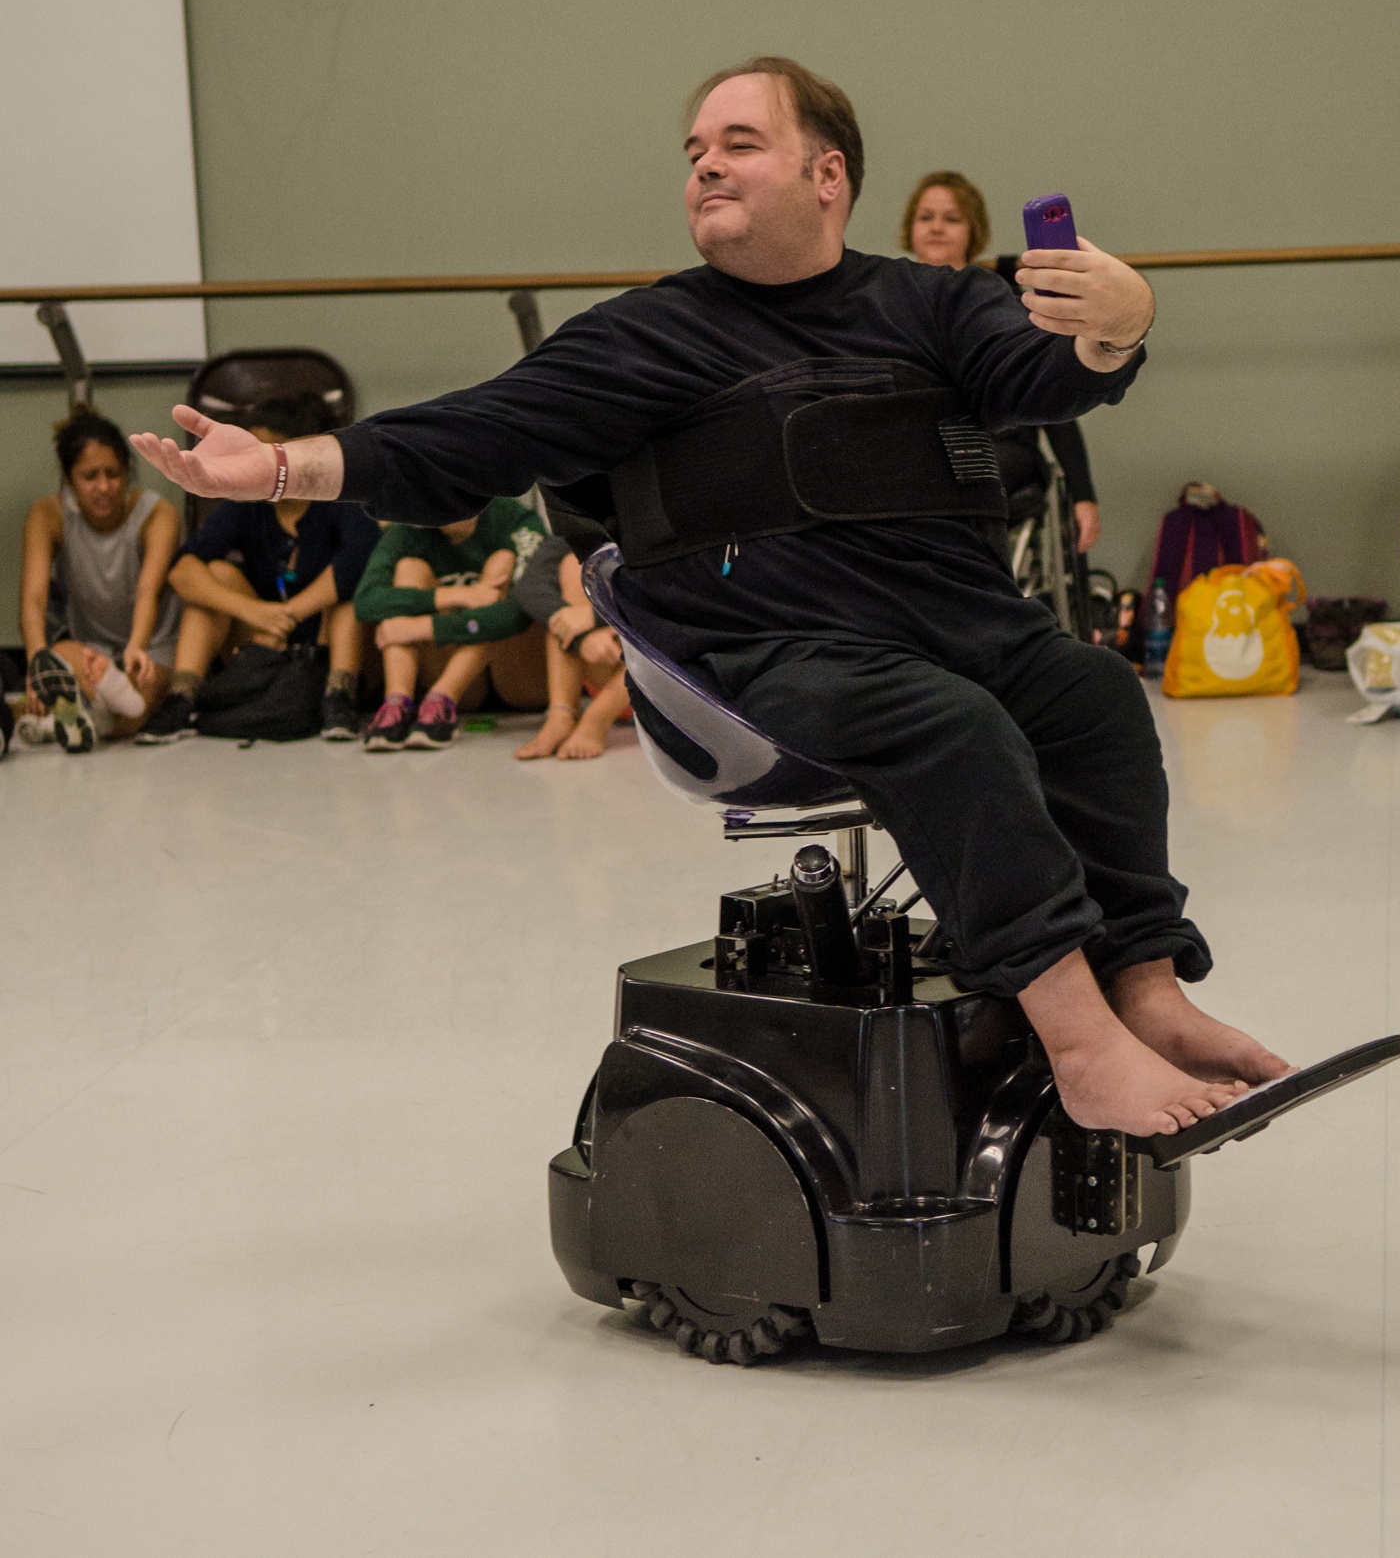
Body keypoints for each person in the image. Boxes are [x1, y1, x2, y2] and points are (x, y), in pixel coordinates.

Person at [131, 55, 1289, 1140]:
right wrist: (284, 465)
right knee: (946, 720)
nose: (705, 165)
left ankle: (1144, 989)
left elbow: (1046, 373)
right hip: (765, 658)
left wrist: (1121, 321)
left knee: (1091, 693)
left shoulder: (929, 307)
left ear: (827, 176)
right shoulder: (649, 335)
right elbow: (468, 434)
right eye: (695, 150)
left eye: (740, 142)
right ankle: (1081, 1045)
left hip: (962, 629)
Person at [136, 395, 378, 744]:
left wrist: (291, 613)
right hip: (265, 638)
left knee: (349, 600)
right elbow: (182, 570)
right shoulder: (249, 499)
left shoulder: (340, 494)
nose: (256, 463)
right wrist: (257, 613)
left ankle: (339, 698)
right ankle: (181, 699)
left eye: (267, 451)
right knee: (217, 574)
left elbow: (358, 559)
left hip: (326, 639)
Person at [902, 170, 1102, 551]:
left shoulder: (1003, 304)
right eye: (925, 217)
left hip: (1001, 444)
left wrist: (1083, 494)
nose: (937, 228)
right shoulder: (891, 303)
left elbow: (1055, 401)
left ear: (971, 230)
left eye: (952, 218)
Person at [18, 409, 181, 750]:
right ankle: (96, 713)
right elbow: (33, 599)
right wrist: (37, 659)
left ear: (127, 472)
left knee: (141, 696)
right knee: (61, 659)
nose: (104, 487)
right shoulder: (48, 514)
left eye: (114, 474)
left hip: (151, 645)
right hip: (92, 652)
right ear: (68, 478)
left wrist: (137, 645)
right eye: (90, 476)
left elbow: (147, 592)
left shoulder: (158, 514)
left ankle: (72, 721)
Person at [353, 497, 549, 749]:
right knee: (409, 568)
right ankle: (398, 703)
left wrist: (425, 627)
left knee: (502, 560)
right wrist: (461, 595)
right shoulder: (409, 527)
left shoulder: (514, 519)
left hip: (518, 676)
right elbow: (366, 601)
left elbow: (518, 612)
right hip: (458, 675)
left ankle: (442, 699)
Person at [509, 538, 632, 760]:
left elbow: (679, 599)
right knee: (574, 565)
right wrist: (582, 637)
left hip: (670, 680)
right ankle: (561, 714)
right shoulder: (587, 519)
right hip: (611, 663)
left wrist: (597, 617)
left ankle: (597, 719)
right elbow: (530, 586)